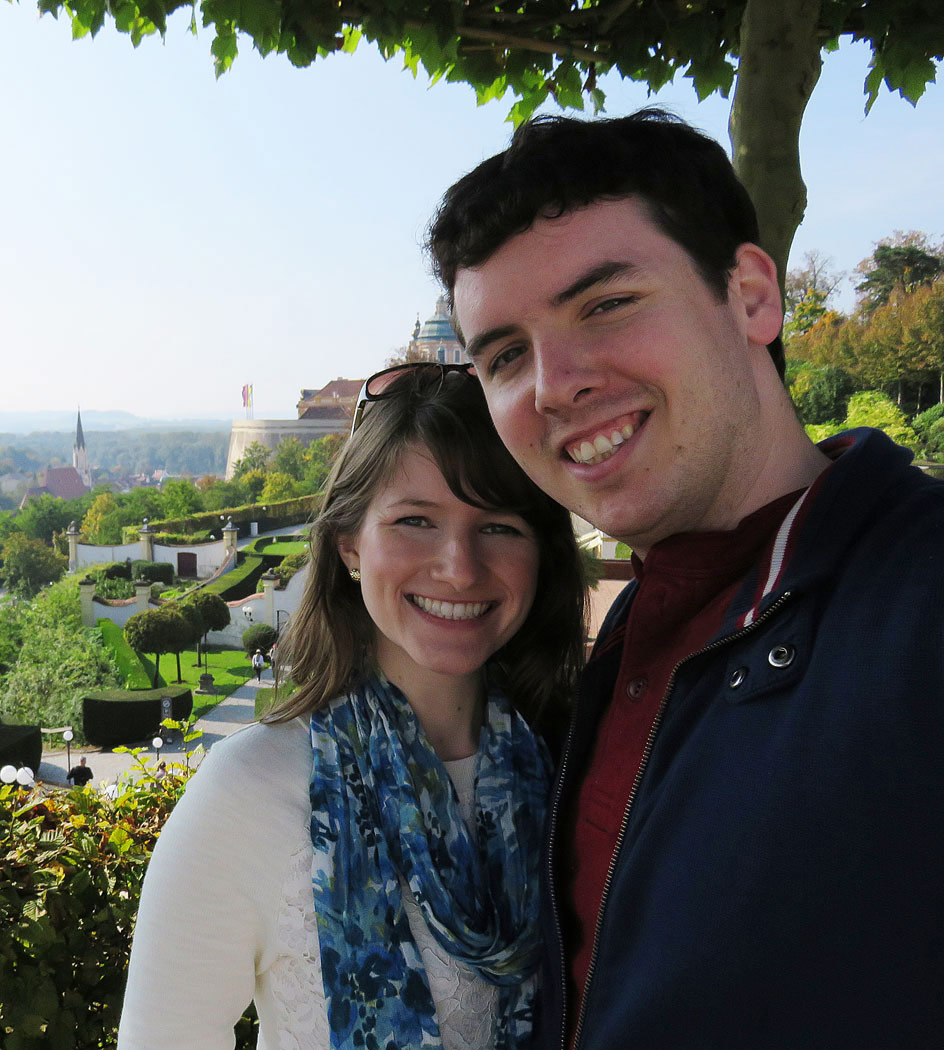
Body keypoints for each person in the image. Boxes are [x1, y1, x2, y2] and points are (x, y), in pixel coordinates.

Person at [427, 109, 944, 1050]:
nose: (553, 383)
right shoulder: (642, 622)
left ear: (751, 297)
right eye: (504, 355)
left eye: (606, 304)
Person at [118, 364, 588, 1050]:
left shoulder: (581, 762)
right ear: (349, 547)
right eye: (415, 521)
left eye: (500, 527)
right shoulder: (251, 792)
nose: (459, 566)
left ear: (541, 553)